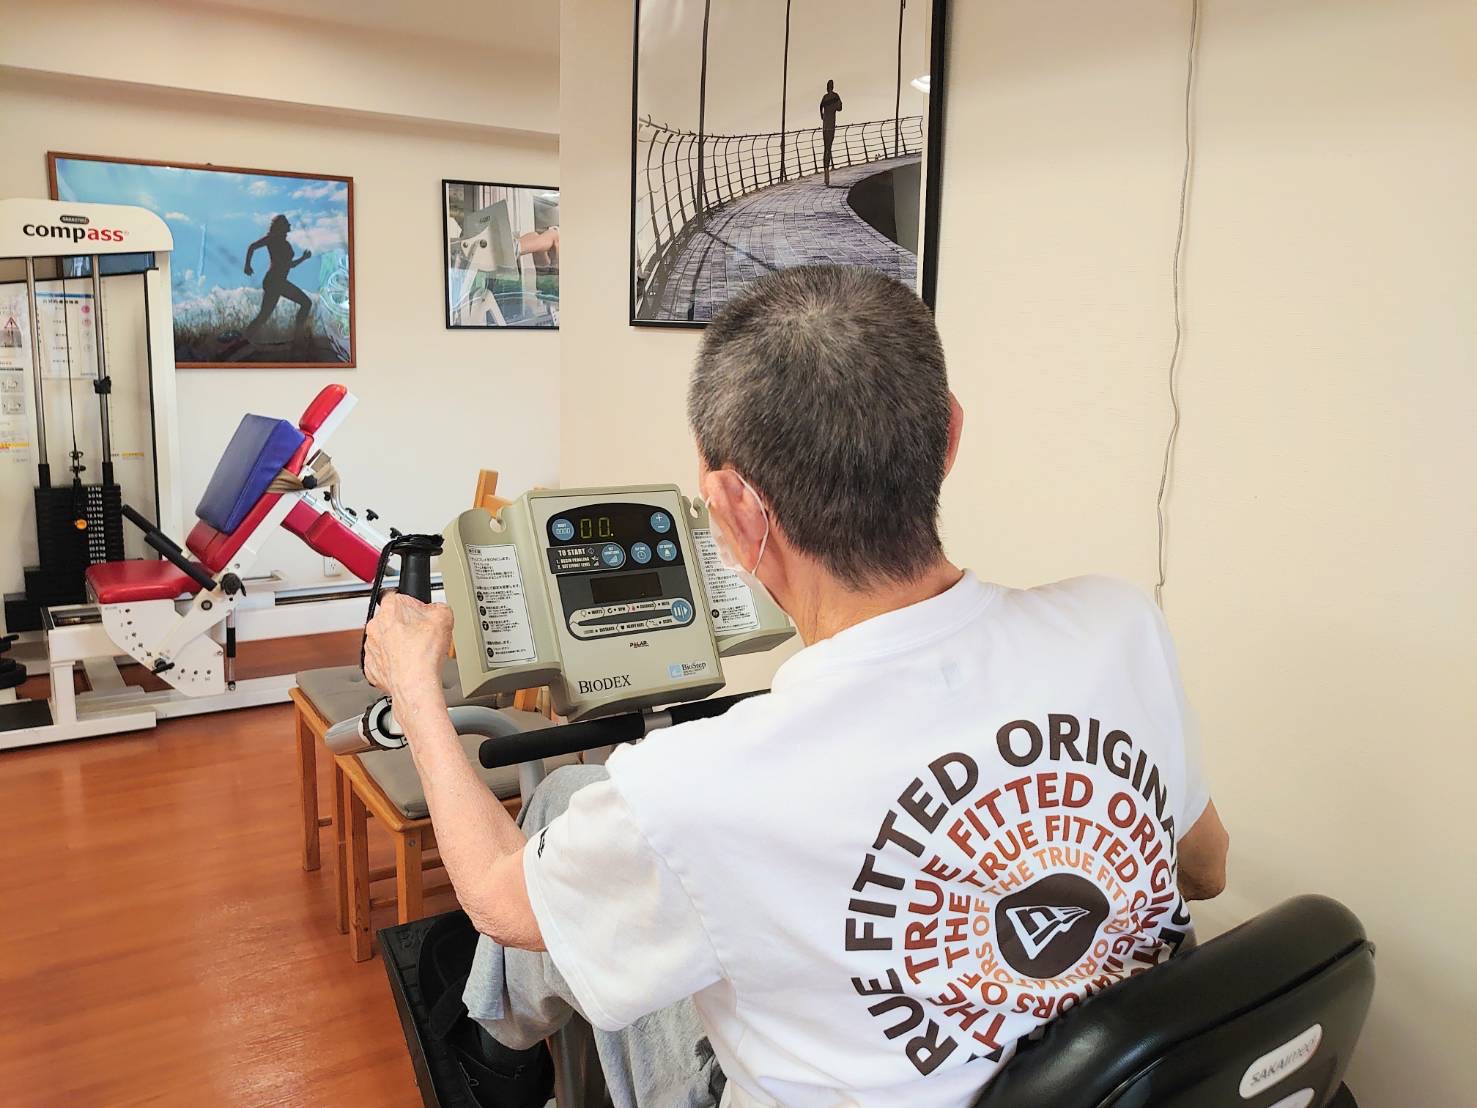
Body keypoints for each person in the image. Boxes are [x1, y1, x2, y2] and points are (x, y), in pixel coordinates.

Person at [364, 265, 1230, 1107]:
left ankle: (494, 1051)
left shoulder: (698, 787)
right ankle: (499, 1040)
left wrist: (414, 689)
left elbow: (496, 898)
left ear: (736, 507)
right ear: (949, 437)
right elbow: (1203, 868)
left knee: (566, 829)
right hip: (1112, 1077)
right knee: (575, 801)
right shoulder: (1116, 625)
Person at [241, 214, 314, 344]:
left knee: (264, 316)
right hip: (274, 281)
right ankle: (298, 336)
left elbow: (290, 265)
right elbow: (252, 246)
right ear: (281, 226)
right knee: (305, 303)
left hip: (279, 282)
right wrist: (247, 265)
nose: (289, 226)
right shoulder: (272, 239)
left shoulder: (286, 244)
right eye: (286, 224)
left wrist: (303, 258)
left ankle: (245, 339)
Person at [820, 79, 844, 186]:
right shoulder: (835, 96)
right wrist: (834, 106)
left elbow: (820, 106)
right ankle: (827, 175)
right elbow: (840, 108)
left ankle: (826, 173)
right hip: (831, 126)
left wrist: (822, 115)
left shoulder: (825, 97)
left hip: (825, 127)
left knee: (826, 148)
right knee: (829, 148)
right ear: (832, 86)